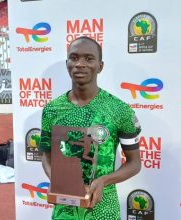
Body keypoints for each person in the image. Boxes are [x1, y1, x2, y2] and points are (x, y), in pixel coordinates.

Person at [38, 36, 142, 220]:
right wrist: (56, 181)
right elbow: (46, 154)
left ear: (100, 66)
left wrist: (104, 181)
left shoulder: (119, 110)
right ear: (67, 63)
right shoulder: (52, 110)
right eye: (74, 58)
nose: (80, 64)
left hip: (104, 210)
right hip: (64, 211)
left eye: (89, 58)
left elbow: (134, 163)